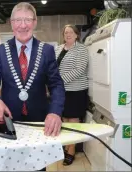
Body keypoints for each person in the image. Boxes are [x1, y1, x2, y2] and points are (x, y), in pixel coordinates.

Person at [0, 2, 65, 170]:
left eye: (27, 20)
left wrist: (55, 112)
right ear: (11, 23)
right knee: (11, 166)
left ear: (34, 22)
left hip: (39, 124)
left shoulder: (47, 50)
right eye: (18, 20)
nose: (22, 25)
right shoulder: (0, 50)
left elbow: (56, 85)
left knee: (37, 166)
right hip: (9, 122)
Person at [55, 24, 89, 166]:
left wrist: (59, 80)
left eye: (70, 32)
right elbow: (52, 66)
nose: (67, 35)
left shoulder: (81, 49)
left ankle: (71, 151)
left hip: (76, 90)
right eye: (65, 32)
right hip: (62, 91)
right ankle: (66, 145)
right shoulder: (58, 48)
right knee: (64, 119)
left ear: (76, 35)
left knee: (73, 120)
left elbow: (79, 69)